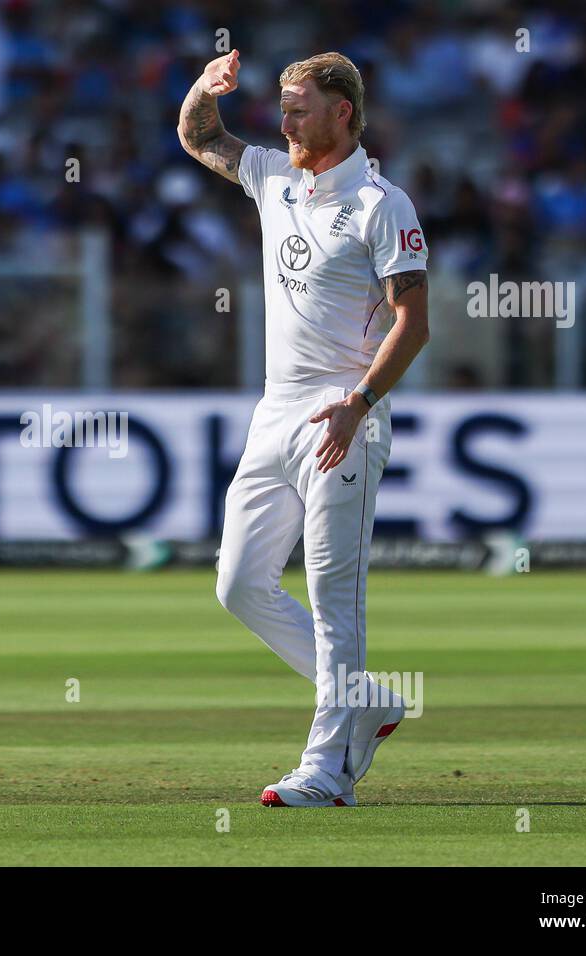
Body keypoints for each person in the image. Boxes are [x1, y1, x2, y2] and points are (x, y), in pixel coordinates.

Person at [178, 50, 430, 807]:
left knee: (332, 593)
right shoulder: (273, 177)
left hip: (341, 412)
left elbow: (414, 326)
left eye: (299, 107)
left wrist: (359, 403)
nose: (283, 120)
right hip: (274, 410)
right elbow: (199, 138)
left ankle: (328, 771)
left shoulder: (383, 204)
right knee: (238, 584)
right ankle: (371, 701)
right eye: (281, 107)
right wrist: (203, 87)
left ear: (342, 113)